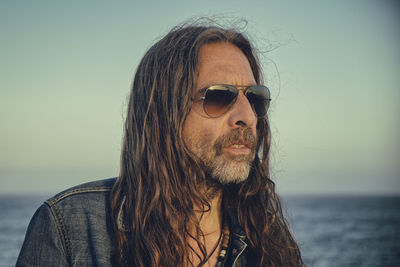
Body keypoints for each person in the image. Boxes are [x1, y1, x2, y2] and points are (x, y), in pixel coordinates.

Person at [17, 22, 304, 266]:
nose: (247, 116)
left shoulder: (269, 240)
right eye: (219, 96)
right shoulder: (70, 226)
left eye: (254, 98)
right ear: (164, 112)